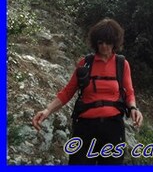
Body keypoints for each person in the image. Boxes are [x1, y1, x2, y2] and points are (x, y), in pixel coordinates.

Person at [32, 18, 143, 165]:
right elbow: (67, 92)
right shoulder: (85, 64)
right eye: (100, 42)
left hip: (113, 128)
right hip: (85, 127)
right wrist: (47, 111)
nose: (104, 46)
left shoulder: (122, 64)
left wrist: (134, 108)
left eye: (108, 42)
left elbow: (129, 92)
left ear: (115, 42)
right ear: (95, 42)